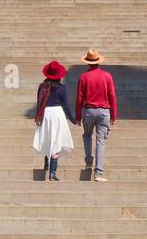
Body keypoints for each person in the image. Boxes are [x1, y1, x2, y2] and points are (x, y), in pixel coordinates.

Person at [75, 48, 118, 182]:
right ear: (99, 62)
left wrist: (77, 116)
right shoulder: (107, 76)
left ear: (87, 63)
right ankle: (98, 172)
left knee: (87, 135)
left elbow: (79, 98)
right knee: (100, 141)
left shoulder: (83, 77)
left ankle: (88, 162)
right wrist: (114, 114)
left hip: (88, 111)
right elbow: (112, 96)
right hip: (104, 111)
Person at [33, 61, 75, 181]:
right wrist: (73, 119)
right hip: (57, 115)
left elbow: (39, 103)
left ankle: (47, 162)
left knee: (48, 138)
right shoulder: (61, 88)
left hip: (46, 114)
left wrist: (38, 117)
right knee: (56, 141)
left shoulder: (42, 87)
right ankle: (52, 173)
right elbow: (66, 105)